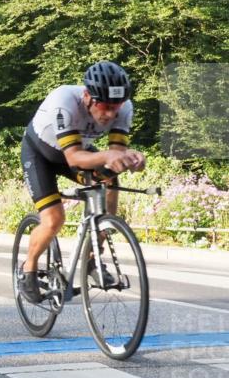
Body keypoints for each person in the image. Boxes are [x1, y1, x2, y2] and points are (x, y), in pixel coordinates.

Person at [18, 61, 147, 303]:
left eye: (115, 108)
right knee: (54, 219)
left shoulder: (125, 108)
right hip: (41, 155)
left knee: (110, 178)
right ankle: (28, 269)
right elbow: (73, 156)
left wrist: (132, 159)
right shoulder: (64, 102)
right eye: (105, 107)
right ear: (87, 96)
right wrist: (109, 156)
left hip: (81, 154)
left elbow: (116, 154)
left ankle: (92, 259)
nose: (110, 114)